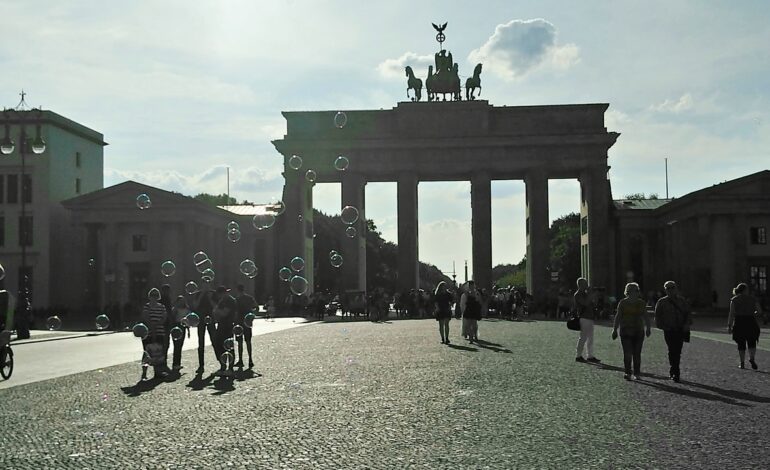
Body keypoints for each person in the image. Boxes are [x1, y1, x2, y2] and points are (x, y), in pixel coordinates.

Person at [611, 282, 652, 380]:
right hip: (626, 330)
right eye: (635, 290)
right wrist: (614, 329)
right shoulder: (623, 303)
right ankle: (628, 372)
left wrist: (648, 328)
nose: (637, 292)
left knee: (637, 353)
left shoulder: (641, 303)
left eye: (638, 290)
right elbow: (618, 316)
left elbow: (646, 316)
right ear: (629, 292)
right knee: (627, 353)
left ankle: (637, 373)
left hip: (638, 330)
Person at [654, 281, 692, 382]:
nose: (670, 290)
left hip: (679, 329)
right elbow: (657, 317)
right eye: (668, 288)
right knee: (672, 350)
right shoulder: (661, 302)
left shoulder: (682, 301)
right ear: (665, 290)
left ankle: (676, 371)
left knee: (677, 351)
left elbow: (688, 313)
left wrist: (686, 324)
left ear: (676, 289)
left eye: (672, 288)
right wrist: (662, 326)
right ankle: (674, 369)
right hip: (669, 330)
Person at [727, 283, 762, 370]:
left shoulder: (734, 300)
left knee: (741, 343)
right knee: (752, 341)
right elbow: (759, 311)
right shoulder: (753, 299)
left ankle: (742, 363)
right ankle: (752, 358)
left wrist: (729, 325)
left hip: (739, 322)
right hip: (750, 321)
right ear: (745, 290)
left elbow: (731, 314)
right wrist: (754, 313)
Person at [140, 288, 170, 381]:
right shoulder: (147, 306)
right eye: (152, 295)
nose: (154, 297)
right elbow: (145, 316)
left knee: (158, 352)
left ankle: (157, 372)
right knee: (147, 352)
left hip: (159, 331)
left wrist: (156, 325)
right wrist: (151, 326)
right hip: (148, 332)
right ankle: (144, 373)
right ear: (150, 296)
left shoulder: (161, 306)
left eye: (156, 295)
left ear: (158, 297)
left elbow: (164, 317)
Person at [574, 278, 601, 363]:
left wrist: (595, 296)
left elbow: (593, 304)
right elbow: (585, 303)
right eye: (585, 284)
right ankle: (578, 355)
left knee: (590, 338)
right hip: (584, 317)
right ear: (580, 285)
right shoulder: (577, 294)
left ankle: (590, 355)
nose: (587, 285)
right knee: (583, 337)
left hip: (590, 317)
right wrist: (591, 295)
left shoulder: (586, 294)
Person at [212, 285, 237, 374]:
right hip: (222, 325)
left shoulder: (229, 300)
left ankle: (230, 368)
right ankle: (223, 367)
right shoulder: (223, 301)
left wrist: (216, 309)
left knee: (228, 346)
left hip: (227, 326)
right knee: (219, 344)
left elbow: (224, 313)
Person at [194, 281, 216, 374]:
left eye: (207, 284)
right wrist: (202, 294)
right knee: (201, 342)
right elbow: (195, 305)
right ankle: (201, 365)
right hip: (201, 320)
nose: (206, 286)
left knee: (215, 340)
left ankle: (221, 362)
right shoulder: (198, 294)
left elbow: (215, 306)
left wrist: (210, 298)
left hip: (211, 319)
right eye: (204, 284)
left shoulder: (213, 293)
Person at [234, 284, 256, 369]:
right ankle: (250, 359)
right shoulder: (250, 298)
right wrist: (251, 315)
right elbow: (256, 308)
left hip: (239, 323)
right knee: (248, 341)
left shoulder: (236, 300)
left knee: (240, 342)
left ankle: (240, 360)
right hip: (247, 322)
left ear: (237, 290)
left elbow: (235, 312)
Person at [170, 295, 189, 371]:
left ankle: (178, 363)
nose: (182, 302)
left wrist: (188, 330)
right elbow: (172, 319)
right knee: (176, 346)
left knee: (180, 346)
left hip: (183, 327)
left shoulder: (187, 309)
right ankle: (175, 364)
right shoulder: (175, 309)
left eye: (183, 301)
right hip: (177, 326)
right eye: (180, 301)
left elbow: (188, 319)